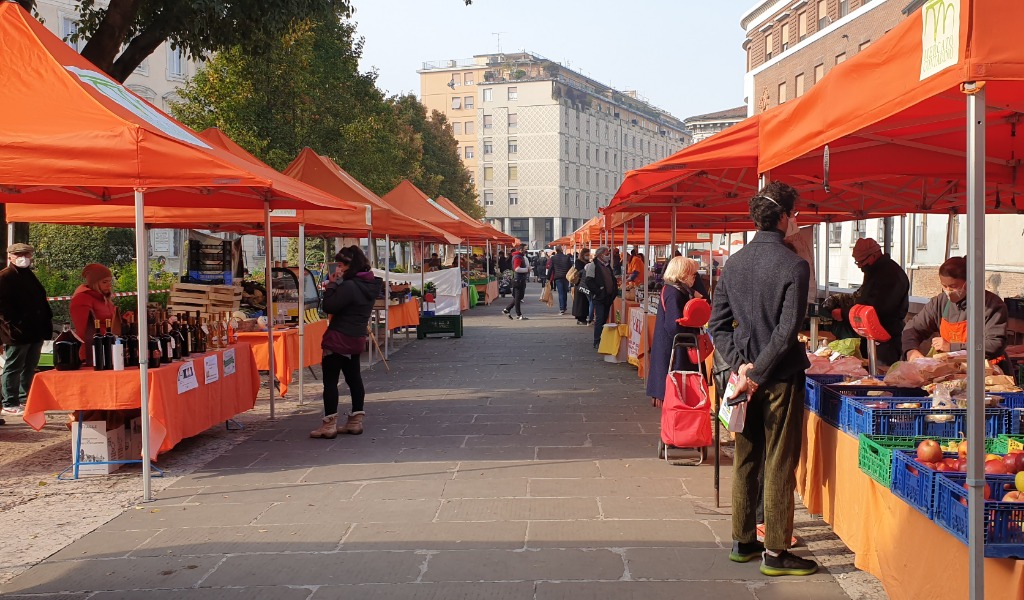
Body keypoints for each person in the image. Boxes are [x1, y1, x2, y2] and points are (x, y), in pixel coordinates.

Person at [709, 181, 817, 577]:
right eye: (795, 216)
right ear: (785, 217)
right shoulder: (794, 265)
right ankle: (775, 551)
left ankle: (742, 540)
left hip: (744, 378)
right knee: (779, 463)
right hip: (780, 378)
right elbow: (788, 330)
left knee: (746, 457)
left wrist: (742, 367)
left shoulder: (734, 263)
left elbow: (716, 325)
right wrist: (757, 371)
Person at [312, 246, 380, 439]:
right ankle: (355, 421)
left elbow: (329, 306)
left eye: (341, 264)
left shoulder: (349, 286)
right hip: (356, 337)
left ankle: (329, 425)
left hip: (338, 338)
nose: (338, 268)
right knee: (354, 379)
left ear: (351, 265)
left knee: (331, 382)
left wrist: (332, 286)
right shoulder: (369, 284)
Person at [902, 255, 1009, 366]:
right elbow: (913, 328)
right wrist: (911, 351)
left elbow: (995, 344)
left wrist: (952, 347)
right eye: (944, 286)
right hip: (952, 370)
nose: (948, 291)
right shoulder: (940, 302)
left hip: (987, 371)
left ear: (968, 282)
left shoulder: (992, 305)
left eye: (953, 286)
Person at [830, 238, 909, 365]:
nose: (860, 266)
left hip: (885, 338)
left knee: (880, 375)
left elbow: (875, 308)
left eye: (861, 262)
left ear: (874, 255)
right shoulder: (875, 271)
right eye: (857, 262)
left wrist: (844, 313)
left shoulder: (890, 275)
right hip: (871, 335)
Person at [0, 244, 53, 415]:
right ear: (10, 257)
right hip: (17, 332)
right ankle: (9, 401)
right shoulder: (5, 277)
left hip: (34, 330)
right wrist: (13, 324)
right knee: (14, 366)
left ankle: (24, 398)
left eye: (26, 254)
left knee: (30, 366)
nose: (23, 257)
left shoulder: (28, 275)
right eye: (19, 254)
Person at [647, 257, 702, 404]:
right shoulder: (675, 293)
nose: (694, 278)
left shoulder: (673, 289)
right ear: (683, 274)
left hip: (669, 345)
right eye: (692, 274)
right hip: (674, 348)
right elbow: (674, 326)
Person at [69, 263, 120, 367]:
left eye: (110, 281)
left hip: (108, 348)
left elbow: (109, 321)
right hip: (92, 354)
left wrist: (123, 319)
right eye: (104, 282)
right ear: (94, 283)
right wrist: (110, 335)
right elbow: (86, 330)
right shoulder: (81, 299)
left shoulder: (103, 297)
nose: (109, 285)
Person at [585, 246, 618, 349]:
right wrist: (598, 290)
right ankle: (597, 340)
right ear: (601, 255)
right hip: (599, 297)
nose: (608, 256)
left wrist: (614, 291)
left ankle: (603, 338)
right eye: (607, 254)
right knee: (599, 318)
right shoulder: (593, 265)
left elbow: (611, 279)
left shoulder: (607, 265)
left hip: (608, 297)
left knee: (604, 318)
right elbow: (589, 281)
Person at [503, 244, 530, 320]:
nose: (526, 250)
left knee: (518, 297)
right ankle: (518, 314)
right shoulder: (518, 257)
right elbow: (517, 269)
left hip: (519, 279)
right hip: (518, 280)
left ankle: (507, 309)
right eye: (525, 249)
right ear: (521, 249)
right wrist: (527, 270)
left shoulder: (519, 256)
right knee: (518, 298)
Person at [549, 246, 573, 315]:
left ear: (556, 251)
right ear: (561, 250)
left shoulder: (553, 258)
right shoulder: (567, 257)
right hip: (566, 277)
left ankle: (562, 308)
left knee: (561, 293)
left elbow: (551, 268)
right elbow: (570, 267)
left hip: (558, 277)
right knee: (565, 292)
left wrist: (548, 278)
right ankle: (564, 307)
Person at [571, 248, 592, 325]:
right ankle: (580, 318)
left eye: (588, 254)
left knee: (585, 302)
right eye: (586, 255)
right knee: (580, 302)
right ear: (583, 255)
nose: (587, 256)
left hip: (586, 284)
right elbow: (579, 271)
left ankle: (583, 317)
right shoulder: (578, 261)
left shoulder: (588, 262)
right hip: (579, 284)